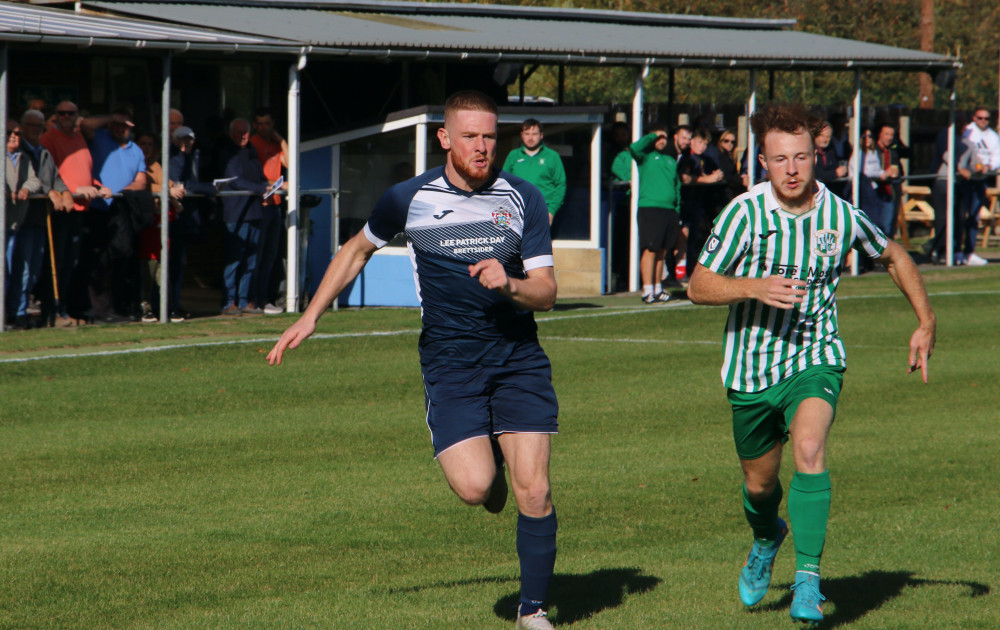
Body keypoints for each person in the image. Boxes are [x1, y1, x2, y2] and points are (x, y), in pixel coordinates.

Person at [267, 90, 560, 630]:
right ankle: (491, 470)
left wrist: (510, 284)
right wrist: (312, 315)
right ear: (444, 138)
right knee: (475, 489)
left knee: (536, 489)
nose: (482, 147)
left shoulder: (524, 198)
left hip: (518, 357)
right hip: (451, 363)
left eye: (490, 136)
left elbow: (546, 291)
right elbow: (356, 248)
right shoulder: (408, 196)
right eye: (469, 136)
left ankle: (531, 610)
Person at [687, 103, 935, 626]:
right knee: (759, 488)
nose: (792, 169)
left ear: (815, 154)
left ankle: (808, 581)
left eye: (801, 156)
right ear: (763, 162)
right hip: (751, 370)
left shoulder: (838, 214)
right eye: (780, 160)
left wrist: (925, 320)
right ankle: (765, 535)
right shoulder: (744, 214)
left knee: (809, 447)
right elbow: (698, 285)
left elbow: (892, 255)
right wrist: (753, 286)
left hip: (815, 357)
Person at [39, 101, 109, 326]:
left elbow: (84, 171)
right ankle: (52, 311)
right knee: (56, 263)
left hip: (81, 209)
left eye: (71, 113)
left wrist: (97, 185)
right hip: (62, 209)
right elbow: (49, 175)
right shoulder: (48, 138)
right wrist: (73, 190)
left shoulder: (79, 138)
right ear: (56, 116)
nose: (66, 116)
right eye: (62, 113)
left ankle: (65, 309)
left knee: (72, 263)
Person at [84, 106, 149, 320]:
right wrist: (111, 117)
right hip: (97, 208)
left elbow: (141, 182)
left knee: (123, 257)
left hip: (122, 209)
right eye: (117, 124)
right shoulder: (100, 137)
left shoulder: (135, 150)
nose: (120, 129)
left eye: (125, 125)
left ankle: (121, 307)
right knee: (99, 260)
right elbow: (85, 125)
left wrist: (120, 193)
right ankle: (101, 310)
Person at [12, 110, 74, 329]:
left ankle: (27, 309)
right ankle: (17, 312)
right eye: (31, 126)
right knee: (22, 267)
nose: (36, 131)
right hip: (22, 217)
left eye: (40, 127)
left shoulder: (44, 153)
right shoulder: (18, 152)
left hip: (40, 219)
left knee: (36, 268)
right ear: (23, 127)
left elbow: (55, 179)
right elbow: (31, 180)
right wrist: (49, 192)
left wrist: (64, 192)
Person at [621, 124, 681, 303]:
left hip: (669, 210)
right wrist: (652, 135)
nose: (661, 141)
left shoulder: (670, 160)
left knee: (662, 251)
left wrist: (676, 210)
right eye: (658, 138)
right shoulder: (645, 157)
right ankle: (647, 290)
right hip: (650, 208)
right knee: (650, 248)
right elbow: (634, 148)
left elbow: (676, 186)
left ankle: (657, 287)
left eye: (663, 138)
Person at [217, 118, 268, 315]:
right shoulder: (227, 152)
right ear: (231, 133)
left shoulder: (251, 150)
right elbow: (236, 181)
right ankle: (228, 302)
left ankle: (245, 300)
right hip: (235, 214)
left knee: (251, 260)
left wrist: (267, 190)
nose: (243, 136)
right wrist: (262, 189)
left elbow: (259, 176)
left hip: (254, 212)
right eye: (239, 132)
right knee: (234, 259)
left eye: (245, 132)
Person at [168, 125, 216, 320]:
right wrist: (211, 188)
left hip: (186, 217)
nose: (185, 143)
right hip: (175, 216)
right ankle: (170, 305)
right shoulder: (175, 157)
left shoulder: (193, 155)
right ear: (174, 141)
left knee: (179, 263)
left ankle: (175, 304)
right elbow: (183, 184)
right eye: (181, 139)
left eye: (188, 139)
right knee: (172, 264)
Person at [249, 107, 289, 314]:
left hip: (275, 206)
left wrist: (280, 139)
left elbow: (290, 163)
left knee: (271, 256)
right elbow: (254, 176)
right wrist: (279, 184)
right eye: (260, 124)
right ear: (255, 125)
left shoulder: (275, 143)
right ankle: (253, 299)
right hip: (260, 206)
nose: (264, 128)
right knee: (257, 255)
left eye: (267, 124)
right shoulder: (253, 144)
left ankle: (265, 299)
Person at [4, 120, 42, 329]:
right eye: (8, 132)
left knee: (21, 270)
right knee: (5, 270)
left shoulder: (23, 158)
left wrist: (26, 187)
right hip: (3, 222)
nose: (13, 136)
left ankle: (16, 313)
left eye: (17, 133)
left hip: (16, 223)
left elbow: (35, 180)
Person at [677, 127, 723, 278]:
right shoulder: (686, 157)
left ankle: (690, 271)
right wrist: (707, 179)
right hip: (684, 202)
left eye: (705, 143)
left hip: (697, 202)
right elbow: (685, 177)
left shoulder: (705, 159)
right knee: (683, 236)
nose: (702, 146)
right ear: (692, 142)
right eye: (699, 142)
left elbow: (716, 172)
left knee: (694, 238)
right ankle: (678, 271)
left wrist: (717, 175)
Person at [502, 118, 567, 225]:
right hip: (517, 211)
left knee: (540, 241)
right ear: (521, 135)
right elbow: (503, 183)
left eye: (534, 134)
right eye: (527, 133)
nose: (530, 137)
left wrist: (551, 211)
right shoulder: (513, 156)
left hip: (542, 211)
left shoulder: (552, 156)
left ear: (541, 135)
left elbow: (560, 185)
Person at [960, 108, 1000, 266]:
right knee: (959, 215)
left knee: (974, 216)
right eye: (980, 117)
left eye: (986, 118)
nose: (983, 120)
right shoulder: (968, 131)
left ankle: (969, 252)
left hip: (980, 180)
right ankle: (953, 249)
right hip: (965, 179)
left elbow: (997, 157)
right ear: (974, 118)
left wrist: (989, 165)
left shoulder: (992, 136)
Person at [813, 122, 848, 193]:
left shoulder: (830, 150)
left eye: (828, 136)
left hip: (829, 189)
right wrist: (835, 173)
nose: (825, 139)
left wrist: (841, 171)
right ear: (816, 136)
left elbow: (835, 166)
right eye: (822, 136)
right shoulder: (811, 151)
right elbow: (816, 173)